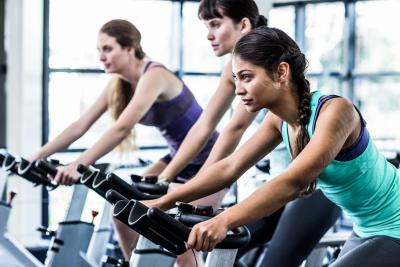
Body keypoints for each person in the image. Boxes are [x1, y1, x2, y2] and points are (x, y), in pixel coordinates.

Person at [148, 26, 400, 267]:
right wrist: (164, 201)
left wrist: (223, 221)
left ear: (281, 72)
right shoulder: (278, 121)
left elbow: (294, 182)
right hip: (365, 227)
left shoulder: (336, 111)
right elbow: (230, 167)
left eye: (246, 77)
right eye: (236, 79)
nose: (238, 90)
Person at [156, 0, 340, 266]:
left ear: (243, 24)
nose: (209, 34)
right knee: (216, 250)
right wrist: (170, 179)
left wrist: (195, 189)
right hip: (275, 183)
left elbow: (234, 129)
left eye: (215, 24)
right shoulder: (233, 67)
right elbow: (205, 125)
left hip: (311, 187)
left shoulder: (263, 61)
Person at [29, 19, 220, 265]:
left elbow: (121, 128)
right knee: (125, 214)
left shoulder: (155, 75)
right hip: (177, 157)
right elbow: (81, 125)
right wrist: (36, 157)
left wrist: (78, 165)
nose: (101, 56)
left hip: (208, 160)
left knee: (180, 239)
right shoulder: (119, 84)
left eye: (107, 49)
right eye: (99, 50)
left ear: (130, 48)